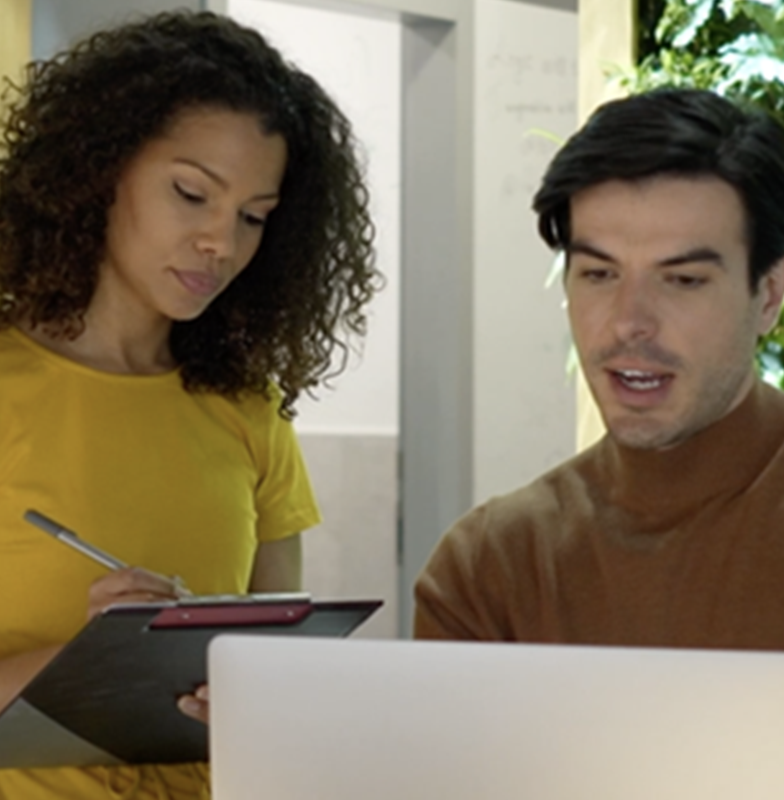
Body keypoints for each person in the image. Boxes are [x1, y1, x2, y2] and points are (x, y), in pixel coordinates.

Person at [0, 9, 378, 799]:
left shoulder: (249, 410)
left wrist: (252, 687)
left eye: (253, 217)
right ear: (99, 170)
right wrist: (92, 663)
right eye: (191, 193)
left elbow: (280, 672)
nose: (221, 242)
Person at [414, 88, 784, 648]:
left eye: (683, 280)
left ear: (769, 295)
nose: (629, 322)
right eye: (599, 275)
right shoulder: (491, 566)